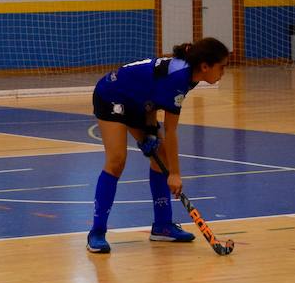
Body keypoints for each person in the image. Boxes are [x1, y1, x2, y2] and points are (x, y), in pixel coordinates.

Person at [86, 37, 230, 253]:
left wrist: (151, 132)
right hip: (111, 96)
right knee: (116, 161)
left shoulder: (190, 76)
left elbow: (153, 97)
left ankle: (162, 226)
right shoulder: (180, 77)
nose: (223, 72)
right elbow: (171, 131)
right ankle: (96, 232)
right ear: (205, 66)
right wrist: (174, 174)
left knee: (159, 155)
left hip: (137, 102)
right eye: (222, 67)